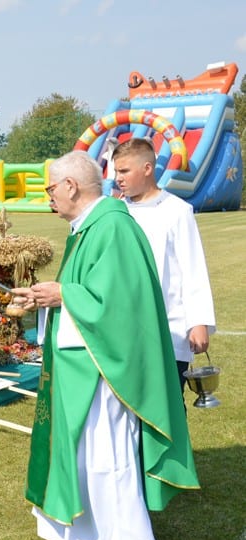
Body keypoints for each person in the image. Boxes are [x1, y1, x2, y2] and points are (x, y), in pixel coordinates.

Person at [11, 151, 199, 540]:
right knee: (75, 450)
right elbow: (85, 289)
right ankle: (72, 533)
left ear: (72, 186)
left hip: (106, 368)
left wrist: (64, 295)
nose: (48, 197)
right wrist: (46, 296)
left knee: (106, 457)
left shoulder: (113, 226)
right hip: (81, 360)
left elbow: (120, 303)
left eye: (51, 188)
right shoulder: (88, 227)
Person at [112, 137, 215, 394]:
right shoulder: (115, 212)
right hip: (123, 328)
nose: (118, 178)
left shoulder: (177, 211)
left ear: (147, 168)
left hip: (169, 327)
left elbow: (193, 268)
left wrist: (198, 322)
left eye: (124, 171)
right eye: (116, 171)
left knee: (168, 402)